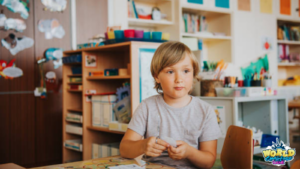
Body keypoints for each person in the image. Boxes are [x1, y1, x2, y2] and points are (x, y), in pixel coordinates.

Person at [120, 41, 221, 168]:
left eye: (186, 71)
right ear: (157, 76)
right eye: (170, 71)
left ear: (193, 73)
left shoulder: (205, 111)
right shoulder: (147, 107)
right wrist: (143, 145)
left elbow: (209, 162)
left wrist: (189, 152)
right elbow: (124, 149)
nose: (179, 79)